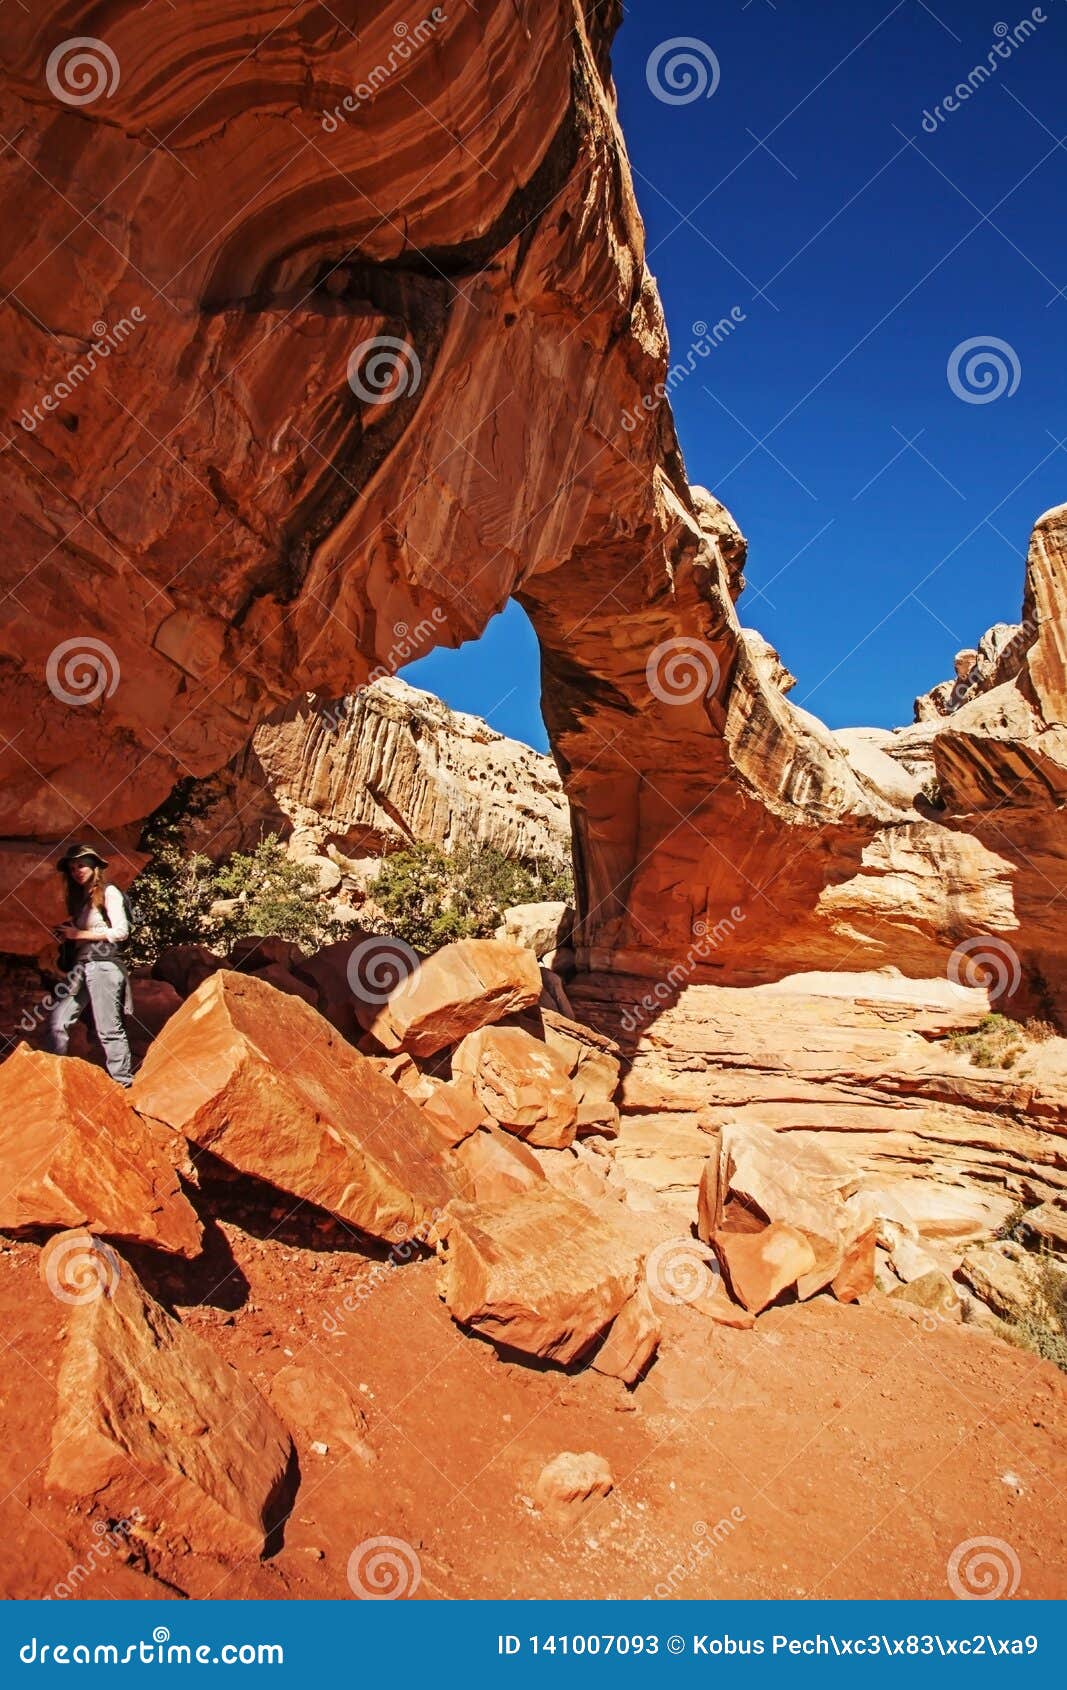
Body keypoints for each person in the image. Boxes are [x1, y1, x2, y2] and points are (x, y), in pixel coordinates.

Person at [46, 843, 134, 1087]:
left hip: (105, 966)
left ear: (95, 866)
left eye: (81, 865)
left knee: (108, 1029)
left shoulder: (109, 892)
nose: (76, 871)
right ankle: (53, 1078)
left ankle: (123, 1084)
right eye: (72, 868)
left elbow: (121, 932)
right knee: (57, 1021)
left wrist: (79, 934)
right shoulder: (80, 899)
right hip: (83, 967)